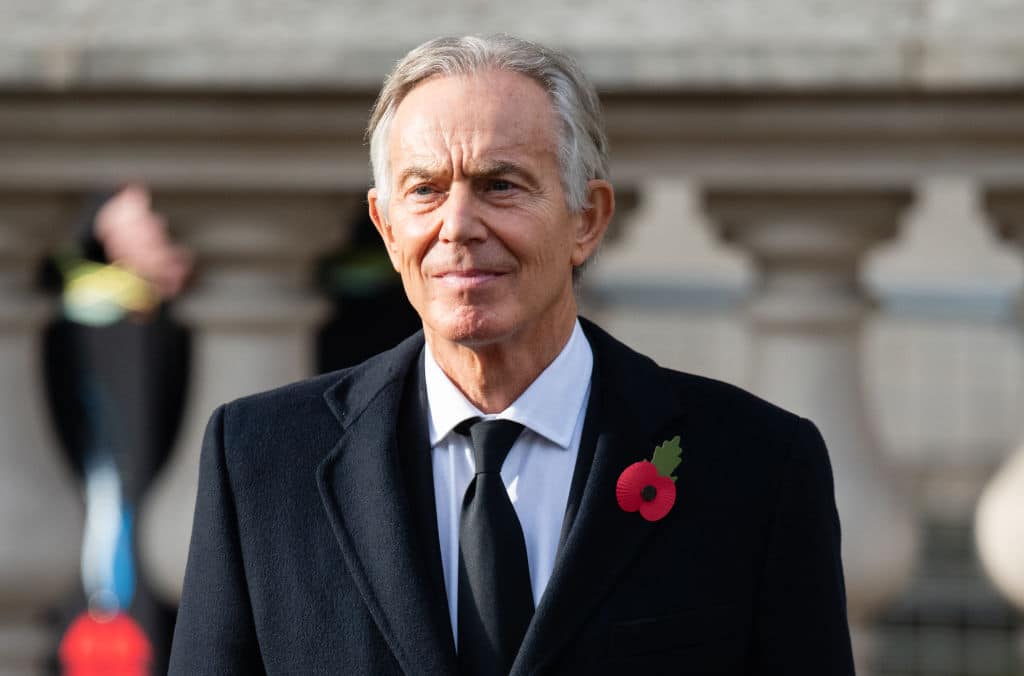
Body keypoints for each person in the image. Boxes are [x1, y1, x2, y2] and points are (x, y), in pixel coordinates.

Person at [169, 35, 854, 675]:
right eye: (425, 190)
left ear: (587, 221)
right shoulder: (261, 459)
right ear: (385, 226)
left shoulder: (758, 465)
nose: (458, 227)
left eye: (500, 184)